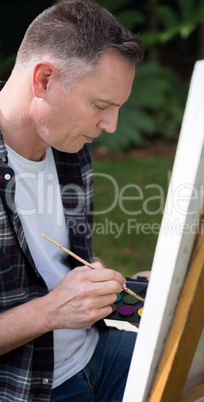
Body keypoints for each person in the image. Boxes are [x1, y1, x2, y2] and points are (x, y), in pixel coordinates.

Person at [0, 0, 147, 400]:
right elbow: (53, 302)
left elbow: (62, 262)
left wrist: (112, 286)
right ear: (44, 79)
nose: (110, 126)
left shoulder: (68, 143)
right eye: (101, 106)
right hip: (26, 387)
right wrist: (51, 311)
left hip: (95, 353)